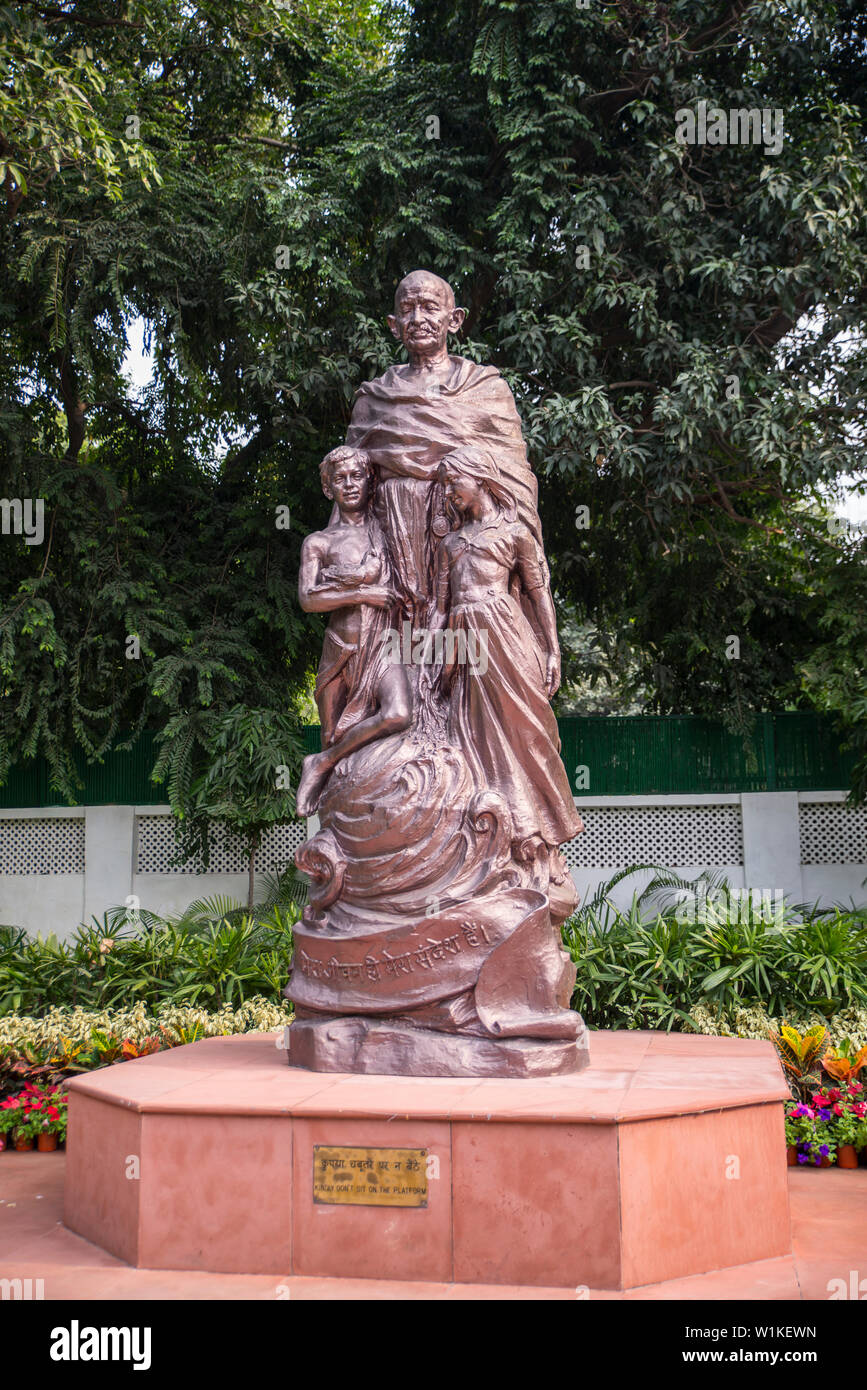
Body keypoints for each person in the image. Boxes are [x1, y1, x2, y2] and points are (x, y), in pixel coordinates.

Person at [343, 270, 549, 629]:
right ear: (394, 324)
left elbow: (515, 485)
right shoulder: (373, 401)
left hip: (469, 557)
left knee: (466, 663)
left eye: (429, 308)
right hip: (393, 551)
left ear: (454, 320)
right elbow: (349, 497)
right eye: (407, 309)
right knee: (400, 660)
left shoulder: (486, 390)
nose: (418, 318)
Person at [433, 447, 584, 866]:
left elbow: (539, 595)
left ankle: (540, 828)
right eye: (444, 485)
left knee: (524, 727)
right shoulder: (451, 543)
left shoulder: (514, 533)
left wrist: (553, 651)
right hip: (464, 640)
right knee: (477, 731)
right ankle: (497, 826)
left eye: (453, 482)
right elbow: (440, 607)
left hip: (505, 632)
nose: (448, 493)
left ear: (480, 477)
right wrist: (434, 648)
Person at [295, 446, 411, 816]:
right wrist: (362, 592)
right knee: (333, 734)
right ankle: (339, 825)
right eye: (340, 479)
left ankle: (320, 762)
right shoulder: (319, 542)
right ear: (328, 488)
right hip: (341, 649)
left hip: (383, 646)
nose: (349, 485)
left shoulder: (387, 533)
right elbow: (308, 600)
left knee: (398, 713)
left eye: (357, 476)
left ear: (369, 480)